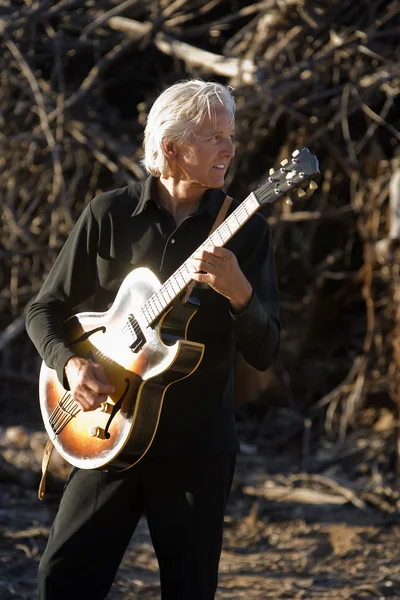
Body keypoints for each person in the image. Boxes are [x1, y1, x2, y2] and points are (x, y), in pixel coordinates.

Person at [26, 79, 280, 600]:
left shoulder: (246, 231)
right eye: (214, 136)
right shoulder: (109, 214)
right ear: (171, 148)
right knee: (61, 579)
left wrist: (239, 295)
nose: (230, 148)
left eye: (230, 135)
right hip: (107, 438)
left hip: (196, 451)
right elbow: (43, 310)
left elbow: (266, 349)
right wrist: (71, 365)